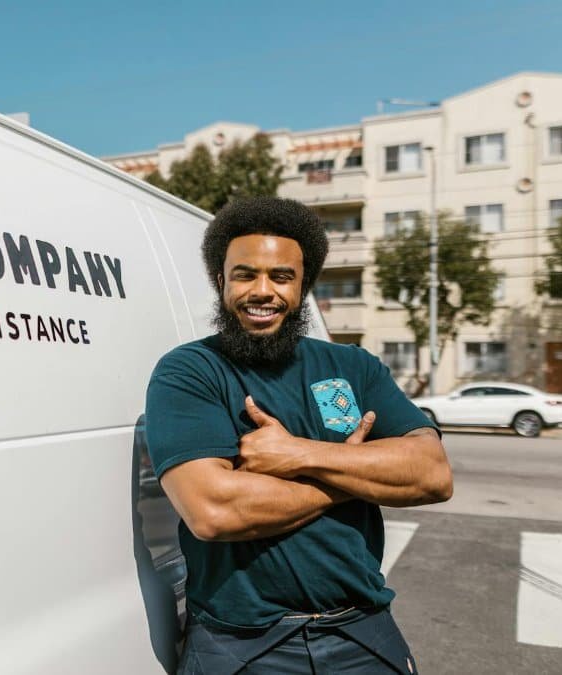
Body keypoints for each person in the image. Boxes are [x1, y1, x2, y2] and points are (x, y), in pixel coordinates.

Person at [144, 197, 453, 674]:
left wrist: (297, 454)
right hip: (241, 643)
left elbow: (431, 473)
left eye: (281, 277)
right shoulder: (190, 371)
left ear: (303, 285)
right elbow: (214, 509)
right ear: (220, 281)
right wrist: (348, 471)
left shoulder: (354, 367)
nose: (262, 291)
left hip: (361, 632)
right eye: (245, 275)